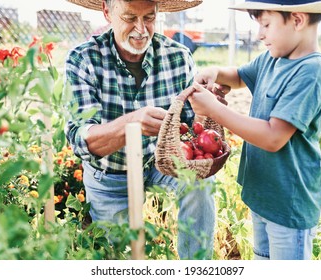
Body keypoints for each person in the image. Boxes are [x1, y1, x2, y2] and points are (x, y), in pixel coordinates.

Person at [64, 0, 217, 259]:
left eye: (149, 17)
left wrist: (207, 111)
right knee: (117, 256)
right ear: (107, 12)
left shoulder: (178, 56)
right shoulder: (84, 59)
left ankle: (196, 266)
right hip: (109, 174)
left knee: (200, 181)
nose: (141, 29)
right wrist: (131, 124)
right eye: (129, 17)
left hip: (163, 164)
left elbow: (191, 129)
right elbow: (82, 140)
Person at [187, 0, 321, 260]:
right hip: (264, 195)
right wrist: (215, 72)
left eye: (266, 24)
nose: (259, 34)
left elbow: (273, 137)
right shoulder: (272, 58)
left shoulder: (312, 71)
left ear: (298, 20)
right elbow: (239, 76)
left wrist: (213, 109)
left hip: (288, 204)